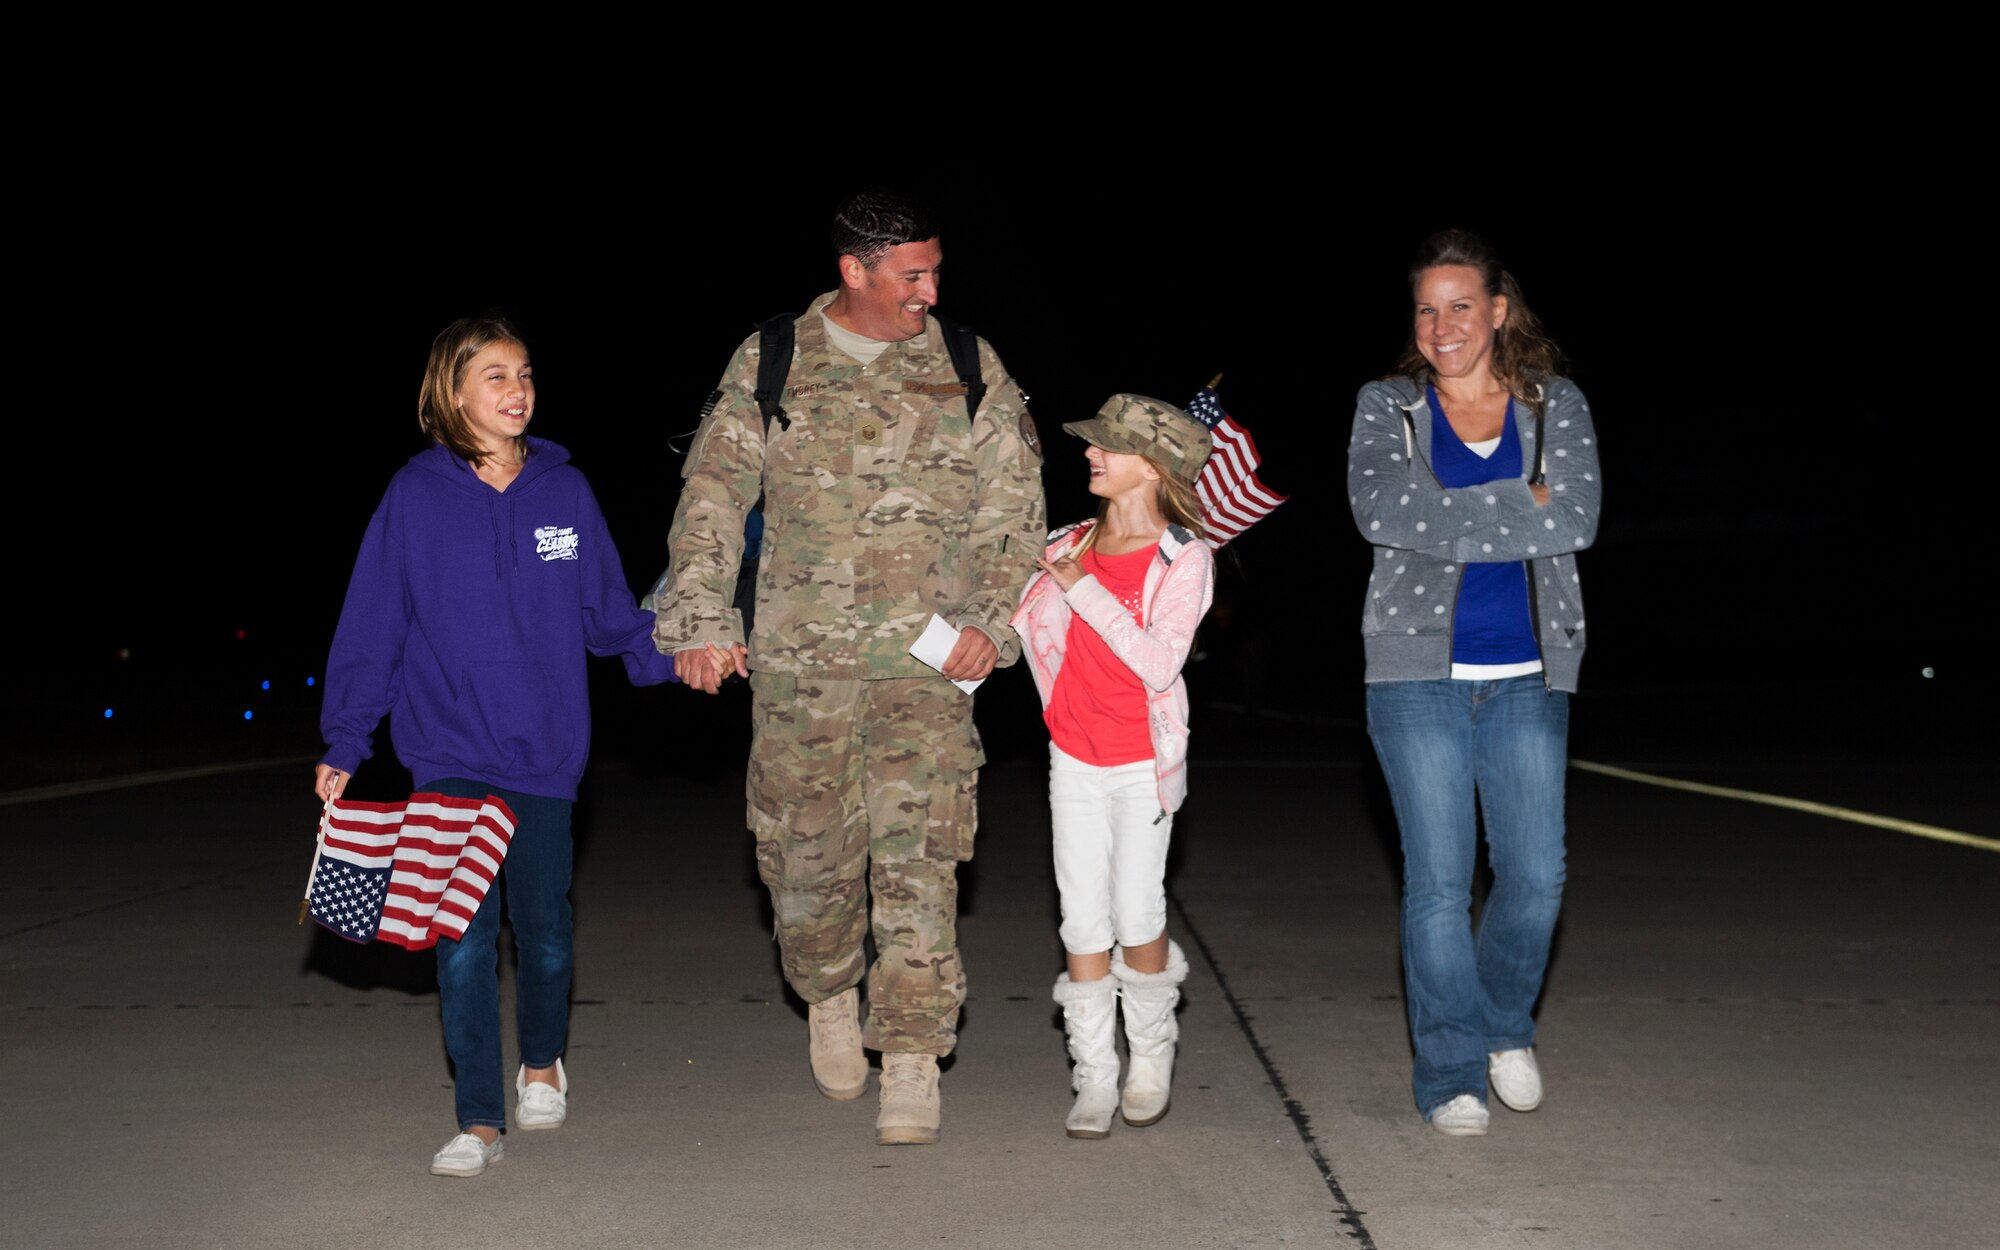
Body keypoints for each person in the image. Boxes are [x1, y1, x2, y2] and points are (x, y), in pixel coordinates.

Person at [652, 189, 1046, 1146]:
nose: (930, 290)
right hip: (800, 665)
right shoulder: (776, 355)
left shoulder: (965, 362)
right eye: (912, 274)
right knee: (804, 863)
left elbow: (1015, 503)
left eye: (936, 270)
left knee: (922, 859)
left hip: (927, 666)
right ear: (854, 272)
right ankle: (827, 990)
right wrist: (701, 618)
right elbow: (713, 490)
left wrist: (994, 622)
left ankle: (911, 1056)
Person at [315, 315, 677, 1176]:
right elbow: (373, 624)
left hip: (546, 750)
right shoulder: (413, 496)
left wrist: (679, 659)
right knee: (464, 937)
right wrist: (345, 737)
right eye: (495, 376)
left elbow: (609, 617)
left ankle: (543, 1060)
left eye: (524, 374)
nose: (517, 390)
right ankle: (479, 1119)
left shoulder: (567, 491)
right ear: (452, 391)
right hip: (447, 752)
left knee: (543, 928)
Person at [1347, 229, 1601, 1136]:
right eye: (1426, 307)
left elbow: (1576, 518)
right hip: (1415, 675)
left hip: (1530, 672)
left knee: (1535, 878)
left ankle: (1503, 1025)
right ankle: (1450, 1070)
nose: (1441, 324)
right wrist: (1516, 506)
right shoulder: (1388, 407)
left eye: (1461, 305)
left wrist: (1451, 518)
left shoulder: (1554, 404)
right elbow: (1382, 514)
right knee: (1438, 887)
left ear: (1498, 310)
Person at [1011, 395, 1216, 1138]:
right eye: (1093, 443)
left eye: (1108, 446)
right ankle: (1094, 1074)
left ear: (1153, 468)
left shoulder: (1184, 558)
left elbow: (1159, 663)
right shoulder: (1067, 543)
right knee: (1081, 915)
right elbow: (1009, 625)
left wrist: (1082, 588)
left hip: (1140, 764)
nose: (1090, 453)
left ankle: (1150, 1055)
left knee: (1138, 910)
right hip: (1073, 756)